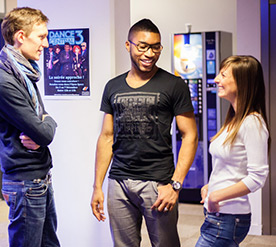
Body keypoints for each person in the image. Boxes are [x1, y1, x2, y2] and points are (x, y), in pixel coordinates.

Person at [90, 19, 198, 247]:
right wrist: (97, 186)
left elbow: (190, 135)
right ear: (128, 46)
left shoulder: (174, 85)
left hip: (158, 183)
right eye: (143, 46)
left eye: (155, 47)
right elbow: (106, 137)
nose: (150, 53)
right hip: (118, 181)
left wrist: (175, 185)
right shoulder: (113, 86)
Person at [0, 7, 59, 247]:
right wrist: (47, 123)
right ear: (20, 36)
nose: (46, 44)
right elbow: (45, 132)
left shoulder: (24, 73)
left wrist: (46, 121)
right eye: (41, 37)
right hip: (25, 182)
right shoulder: (3, 81)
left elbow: (43, 122)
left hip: (38, 178)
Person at [195, 55, 269, 247]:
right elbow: (229, 168)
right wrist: (210, 187)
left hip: (228, 217)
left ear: (242, 82)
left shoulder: (252, 123)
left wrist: (215, 196)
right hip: (219, 215)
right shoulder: (234, 120)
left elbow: (258, 177)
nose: (216, 79)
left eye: (223, 75)